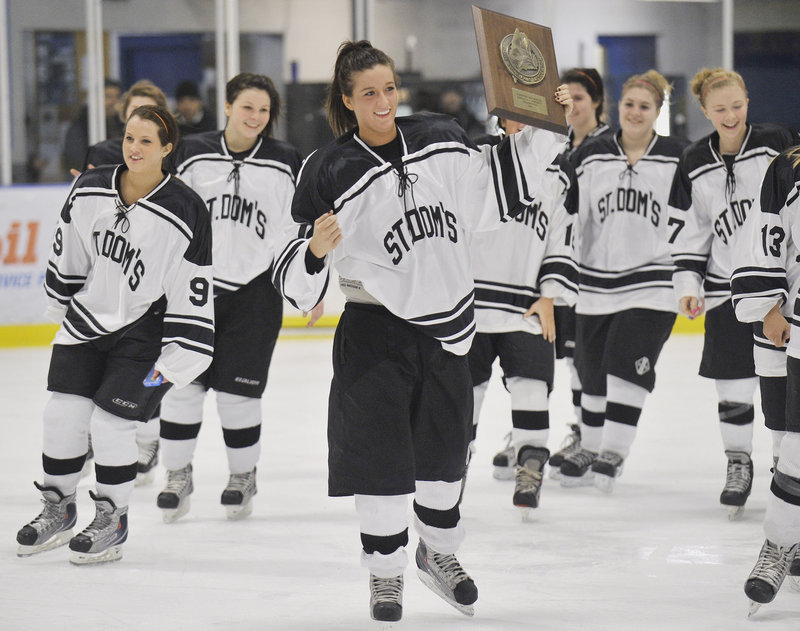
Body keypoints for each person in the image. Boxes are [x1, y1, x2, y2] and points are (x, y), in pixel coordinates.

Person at [271, 40, 570, 623]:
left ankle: (438, 555)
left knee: (442, 462)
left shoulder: (438, 138)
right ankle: (386, 576)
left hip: (448, 333)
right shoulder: (327, 168)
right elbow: (294, 280)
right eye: (368, 93)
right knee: (381, 464)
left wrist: (547, 121)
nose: (382, 101)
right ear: (347, 100)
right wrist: (312, 252)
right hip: (373, 336)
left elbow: (501, 186)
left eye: (388, 89)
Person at [15, 105, 214, 564]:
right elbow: (70, 252)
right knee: (61, 414)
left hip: (147, 330)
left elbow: (192, 283)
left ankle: (113, 519)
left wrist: (182, 351)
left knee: (110, 424)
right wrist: (62, 302)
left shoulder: (186, 208)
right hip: (88, 320)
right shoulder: (89, 187)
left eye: (146, 141)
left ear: (167, 149)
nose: (134, 148)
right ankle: (58, 507)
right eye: (129, 138)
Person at [155, 72, 302, 523]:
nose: (255, 117)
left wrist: (305, 285)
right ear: (228, 106)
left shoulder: (286, 161)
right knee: (181, 387)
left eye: (263, 110)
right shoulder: (192, 153)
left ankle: (242, 476)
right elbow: (163, 210)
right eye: (247, 107)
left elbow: (300, 228)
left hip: (255, 294)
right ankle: (177, 475)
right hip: (192, 293)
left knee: (238, 397)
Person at [669, 67, 799, 518]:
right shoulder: (691, 160)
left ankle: (785, 472)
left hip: (778, 291)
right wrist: (687, 283)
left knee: (782, 385)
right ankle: (738, 463)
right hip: (725, 290)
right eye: (720, 108)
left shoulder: (776, 141)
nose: (730, 115)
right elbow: (690, 230)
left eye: (737, 105)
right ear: (704, 110)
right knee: (732, 382)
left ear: (748, 101)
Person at [558, 70, 688, 492]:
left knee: (624, 364)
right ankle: (591, 446)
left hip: (654, 283)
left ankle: (613, 450)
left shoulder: (678, 157)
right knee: (590, 371)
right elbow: (563, 208)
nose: (635, 112)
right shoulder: (591, 153)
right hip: (594, 284)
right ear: (617, 107)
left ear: (657, 112)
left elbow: (699, 219)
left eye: (644, 107)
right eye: (629, 105)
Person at [466, 116, 579, 513]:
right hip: (470, 307)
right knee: (464, 395)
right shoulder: (476, 154)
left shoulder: (560, 172)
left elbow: (563, 237)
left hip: (525, 304)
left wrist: (550, 295)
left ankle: (530, 464)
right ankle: (450, 469)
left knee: (532, 386)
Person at [71, 79, 171, 487]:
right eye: (135, 113)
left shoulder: (173, 160)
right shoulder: (103, 154)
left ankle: (147, 438)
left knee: (148, 363)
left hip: (152, 280)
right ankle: (100, 433)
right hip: (108, 273)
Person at [731, 145, 800, 612]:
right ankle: (781, 543)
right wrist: (769, 305)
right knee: (790, 441)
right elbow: (765, 235)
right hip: (794, 321)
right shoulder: (790, 164)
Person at [545, 68, 615, 479]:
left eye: (579, 100)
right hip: (565, 267)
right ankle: (582, 430)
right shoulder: (556, 145)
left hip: (597, 270)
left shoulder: (609, 145)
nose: (570, 108)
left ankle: (596, 439)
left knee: (588, 360)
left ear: (597, 102)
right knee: (573, 358)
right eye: (564, 101)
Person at [82, 80, 170, 172]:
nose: (141, 116)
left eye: (149, 111)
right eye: (135, 110)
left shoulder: (173, 154)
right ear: (124, 113)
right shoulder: (102, 152)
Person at [62, 79, 123, 178]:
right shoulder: (81, 127)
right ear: (95, 99)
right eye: (108, 96)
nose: (113, 101)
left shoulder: (123, 125)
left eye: (117, 97)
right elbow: (75, 160)